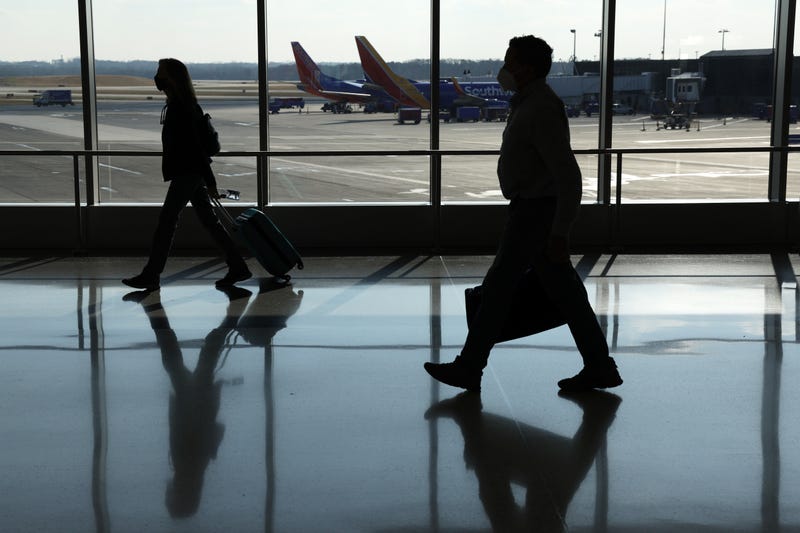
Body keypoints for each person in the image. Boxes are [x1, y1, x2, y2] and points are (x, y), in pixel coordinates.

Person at [424, 35, 622, 393]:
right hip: (531, 211)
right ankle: (599, 364)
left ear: (527, 68)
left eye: (509, 62)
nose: (504, 68)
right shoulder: (529, 103)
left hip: (536, 214)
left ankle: (470, 367)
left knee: (500, 290)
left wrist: (560, 230)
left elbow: (568, 175)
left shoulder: (541, 108)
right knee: (562, 294)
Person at [123, 58, 251, 291]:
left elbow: (196, 150)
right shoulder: (180, 104)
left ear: (172, 77)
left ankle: (152, 274)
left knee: (167, 222)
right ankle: (238, 266)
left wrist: (210, 181)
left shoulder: (181, 108)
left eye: (160, 72)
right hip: (190, 172)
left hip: (188, 173)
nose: (156, 77)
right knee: (209, 222)